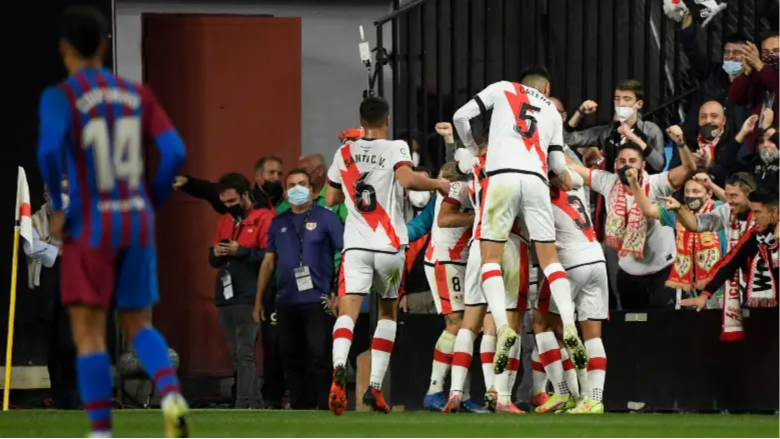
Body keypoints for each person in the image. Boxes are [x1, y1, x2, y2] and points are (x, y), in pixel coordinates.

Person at [37, 7, 189, 437]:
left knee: (89, 334)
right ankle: (172, 395)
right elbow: (174, 152)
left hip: (91, 224)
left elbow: (49, 153)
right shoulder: (135, 93)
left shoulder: (60, 96)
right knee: (139, 323)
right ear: (105, 45)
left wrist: (62, 211)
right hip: (135, 220)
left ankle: (101, 431)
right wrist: (151, 200)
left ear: (64, 49)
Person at [452, 65, 588, 378]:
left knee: (491, 260)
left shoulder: (502, 88)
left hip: (501, 179)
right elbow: (556, 163)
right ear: (547, 88)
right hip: (537, 181)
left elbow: (461, 116)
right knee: (550, 260)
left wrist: (472, 148)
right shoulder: (552, 112)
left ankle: (502, 326)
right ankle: (569, 324)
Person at [324, 96, 450, 415]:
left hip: (356, 247)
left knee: (348, 313)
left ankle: (339, 367)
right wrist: (438, 184)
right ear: (387, 120)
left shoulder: (344, 152)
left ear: (360, 119)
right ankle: (375, 388)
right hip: (389, 250)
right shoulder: (396, 148)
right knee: (388, 315)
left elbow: (329, 198)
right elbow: (408, 180)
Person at [565, 125, 697, 310]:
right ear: (615, 165)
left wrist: (681, 143)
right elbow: (570, 166)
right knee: (633, 332)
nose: (627, 165)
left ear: (642, 165)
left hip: (663, 273)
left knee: (664, 329)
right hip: (629, 274)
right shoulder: (608, 182)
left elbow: (689, 168)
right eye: (622, 161)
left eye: (633, 160)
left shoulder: (657, 183)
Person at [254, 169, 344, 410]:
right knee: (290, 357)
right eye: (292, 185)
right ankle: (299, 407)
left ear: (313, 191)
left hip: (319, 298)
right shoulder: (278, 223)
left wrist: (339, 291)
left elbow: (345, 253)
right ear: (285, 192)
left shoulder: (328, 218)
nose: (297, 188)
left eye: (302, 184)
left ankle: (326, 405)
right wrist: (258, 300)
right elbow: (269, 262)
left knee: (320, 354)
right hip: (286, 300)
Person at [532, 169, 608, 414]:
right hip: (597, 258)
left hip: (569, 263)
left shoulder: (540, 196)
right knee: (593, 336)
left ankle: (562, 392)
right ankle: (593, 399)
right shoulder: (576, 186)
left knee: (542, 323)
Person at [421, 166, 486, 413]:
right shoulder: (461, 186)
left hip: (465, 262)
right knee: (457, 324)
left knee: (469, 329)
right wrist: (478, 217)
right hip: (445, 259)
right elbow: (444, 219)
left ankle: (462, 395)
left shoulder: (481, 185)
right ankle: (434, 391)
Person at [209, 173, 272, 409]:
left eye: (233, 201)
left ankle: (243, 403)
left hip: (250, 295)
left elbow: (269, 256)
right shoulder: (225, 220)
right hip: (226, 296)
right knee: (237, 354)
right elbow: (212, 259)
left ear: (246, 194)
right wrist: (216, 252)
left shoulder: (264, 217)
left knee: (245, 352)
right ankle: (253, 402)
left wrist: (240, 251)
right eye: (224, 203)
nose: (228, 207)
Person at [681, 188, 778, 339]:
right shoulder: (755, 235)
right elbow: (730, 261)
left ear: (775, 212)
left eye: (758, 212)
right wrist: (706, 294)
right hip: (766, 307)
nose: (754, 218)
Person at [629, 173, 728, 309]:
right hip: (689, 286)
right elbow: (648, 210)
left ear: (708, 194)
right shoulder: (679, 212)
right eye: (687, 192)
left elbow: (733, 203)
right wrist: (634, 184)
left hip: (720, 286)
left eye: (696, 191)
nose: (691, 196)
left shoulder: (718, 209)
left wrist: (710, 184)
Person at [23, 180, 79, 409]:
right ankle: (60, 397)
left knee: (72, 343)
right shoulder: (36, 219)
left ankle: (76, 398)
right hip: (48, 285)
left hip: (75, 284)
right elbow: (31, 247)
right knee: (52, 345)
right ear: (47, 194)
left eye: (66, 190)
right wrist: (58, 250)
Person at [678, 11, 751, 144]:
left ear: (747, 55)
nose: (731, 56)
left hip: (732, 146)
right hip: (697, 141)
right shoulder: (711, 72)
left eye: (737, 52)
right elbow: (692, 52)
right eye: (727, 52)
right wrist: (686, 28)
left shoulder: (752, 84)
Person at [563, 80, 667, 174]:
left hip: (642, 191)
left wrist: (632, 136)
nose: (620, 103)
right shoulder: (607, 132)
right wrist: (579, 112)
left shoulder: (650, 130)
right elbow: (567, 140)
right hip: (613, 191)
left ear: (639, 104)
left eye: (627, 99)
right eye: (617, 99)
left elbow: (659, 165)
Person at [174, 155, 284, 211]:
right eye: (271, 172)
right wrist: (188, 182)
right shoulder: (246, 200)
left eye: (279, 174)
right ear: (258, 176)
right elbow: (211, 190)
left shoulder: (287, 201)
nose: (276, 177)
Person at [729, 33, 779, 132]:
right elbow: (735, 97)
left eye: (776, 51)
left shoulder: (761, 68)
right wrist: (746, 73)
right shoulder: (759, 73)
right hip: (757, 138)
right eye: (765, 52)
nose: (770, 55)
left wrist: (758, 64)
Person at [276, 154, 348, 222]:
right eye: (298, 171)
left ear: (320, 171)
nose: (300, 175)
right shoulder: (293, 195)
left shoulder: (336, 194)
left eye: (304, 170)